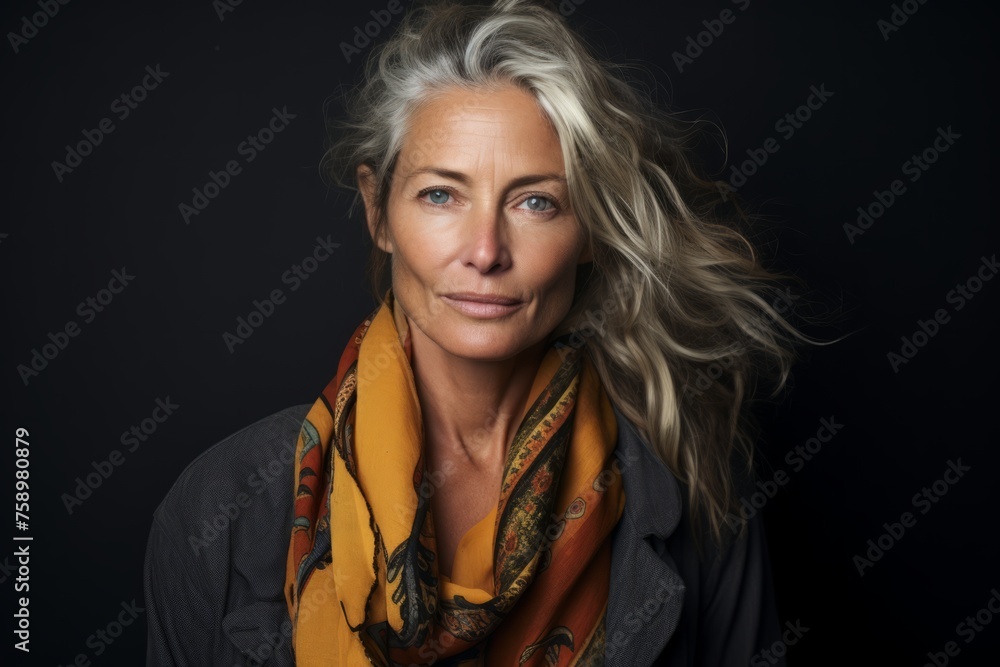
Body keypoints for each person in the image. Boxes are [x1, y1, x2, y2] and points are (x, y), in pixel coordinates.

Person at [145, 0, 825, 664]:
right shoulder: (221, 505)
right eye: (441, 194)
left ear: (588, 230)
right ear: (378, 210)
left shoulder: (696, 487)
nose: (485, 249)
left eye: (536, 201)